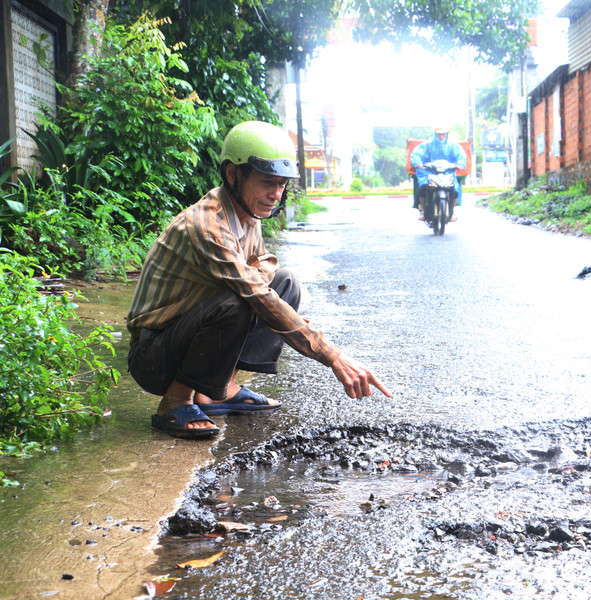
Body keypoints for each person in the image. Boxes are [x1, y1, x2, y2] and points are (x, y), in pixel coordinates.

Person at [126, 121, 392, 439]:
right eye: (268, 182)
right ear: (232, 175)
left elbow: (263, 273)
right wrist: (331, 355)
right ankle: (175, 402)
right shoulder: (208, 224)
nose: (275, 194)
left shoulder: (248, 212)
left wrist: (256, 284)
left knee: (285, 284)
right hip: (153, 355)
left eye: (281, 184)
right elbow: (253, 293)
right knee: (238, 301)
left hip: (186, 334)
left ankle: (217, 390)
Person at [410, 127, 467, 221]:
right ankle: (423, 211)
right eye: (439, 134)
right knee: (423, 187)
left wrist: (460, 164)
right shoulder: (427, 145)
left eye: (444, 134)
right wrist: (418, 163)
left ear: (447, 134)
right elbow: (416, 154)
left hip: (447, 172)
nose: (442, 136)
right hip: (428, 172)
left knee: (455, 189)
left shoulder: (453, 145)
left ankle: (452, 211)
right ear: (435, 134)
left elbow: (461, 155)